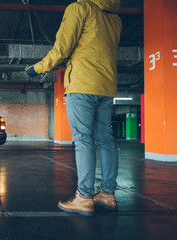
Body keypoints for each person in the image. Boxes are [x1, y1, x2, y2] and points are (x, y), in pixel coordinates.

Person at [25, 0, 122, 216]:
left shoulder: (79, 8)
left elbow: (62, 48)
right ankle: (107, 193)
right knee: (105, 139)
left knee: (82, 138)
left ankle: (84, 197)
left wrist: (35, 69)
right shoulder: (115, 17)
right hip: (106, 86)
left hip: (82, 84)